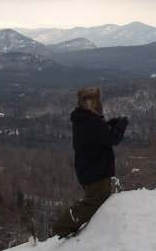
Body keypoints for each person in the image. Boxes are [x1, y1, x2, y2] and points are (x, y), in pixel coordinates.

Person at [52, 86, 128, 238]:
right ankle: (63, 226)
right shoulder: (91, 122)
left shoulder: (83, 119)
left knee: (97, 199)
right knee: (95, 200)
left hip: (89, 168)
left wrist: (112, 124)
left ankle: (74, 227)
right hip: (96, 169)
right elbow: (112, 138)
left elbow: (101, 134)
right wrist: (121, 124)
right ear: (94, 103)